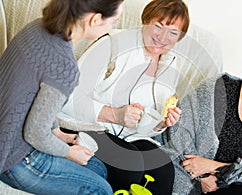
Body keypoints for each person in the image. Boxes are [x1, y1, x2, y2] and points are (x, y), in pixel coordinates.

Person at [57, 0, 190, 194]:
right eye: (158, 27)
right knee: (129, 165)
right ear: (145, 21)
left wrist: (162, 123)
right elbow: (67, 97)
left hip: (131, 138)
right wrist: (115, 115)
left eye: (173, 33)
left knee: (164, 170)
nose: (163, 38)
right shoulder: (112, 43)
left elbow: (147, 126)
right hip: (87, 126)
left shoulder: (171, 65)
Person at [0, 0, 124, 194]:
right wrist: (68, 152)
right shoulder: (64, 67)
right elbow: (35, 134)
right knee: (102, 190)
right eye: (113, 21)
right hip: (13, 156)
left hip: (8, 133)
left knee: (97, 169)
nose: (112, 28)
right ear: (95, 19)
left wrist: (58, 133)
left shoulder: (37, 26)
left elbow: (31, 100)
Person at [159, 44, 242, 195]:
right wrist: (202, 176)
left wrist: (211, 167)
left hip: (226, 182)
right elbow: (181, 128)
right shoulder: (220, 87)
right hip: (185, 167)